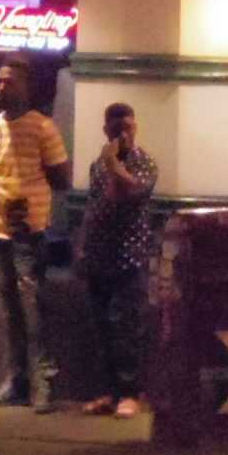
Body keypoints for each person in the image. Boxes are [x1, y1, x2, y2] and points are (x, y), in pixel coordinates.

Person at [0, 62, 69, 411]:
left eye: (9, 82)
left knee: (33, 309)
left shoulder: (42, 128)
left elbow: (61, 177)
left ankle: (43, 382)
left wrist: (29, 196)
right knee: (8, 310)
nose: (1, 88)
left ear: (25, 87)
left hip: (29, 230)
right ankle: (15, 379)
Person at [76, 100, 160, 418]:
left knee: (128, 326)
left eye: (127, 126)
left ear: (135, 127)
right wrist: (82, 245)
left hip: (130, 255)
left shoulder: (144, 162)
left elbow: (133, 192)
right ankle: (107, 392)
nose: (122, 133)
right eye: (115, 128)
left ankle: (131, 393)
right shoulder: (98, 165)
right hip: (99, 254)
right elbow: (95, 206)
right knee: (101, 327)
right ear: (106, 130)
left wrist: (115, 166)